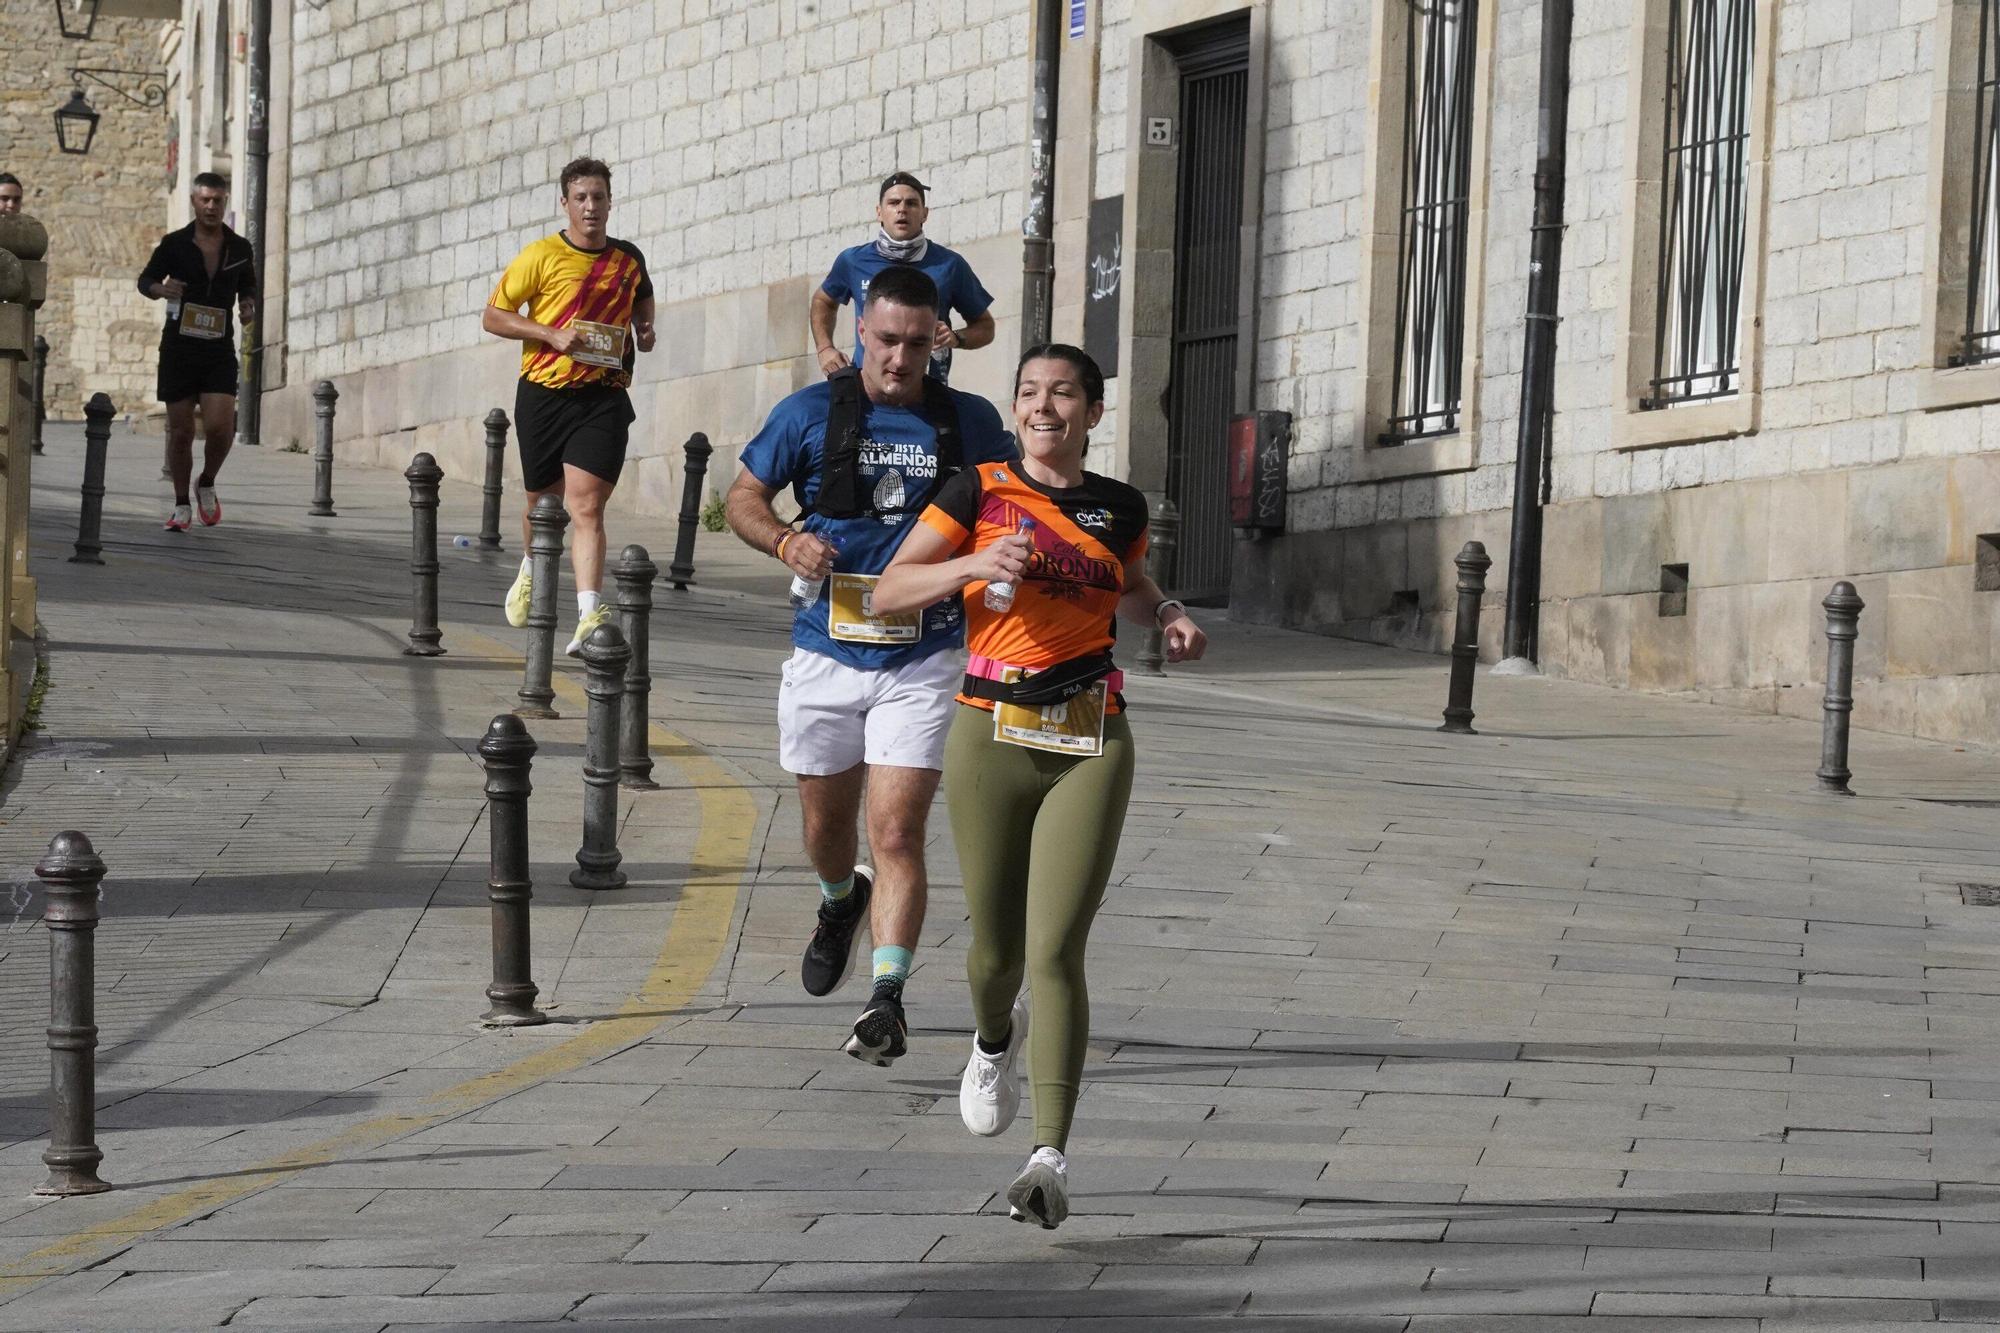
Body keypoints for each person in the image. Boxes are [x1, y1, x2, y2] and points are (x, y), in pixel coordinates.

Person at [872, 344, 1206, 1230]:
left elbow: (1125, 581)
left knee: (1057, 949)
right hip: (991, 730)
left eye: (1062, 393)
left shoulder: (1120, 506)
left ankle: (1049, 1157)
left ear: (1094, 412)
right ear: (1015, 408)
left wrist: (1167, 612)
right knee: (996, 953)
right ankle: (992, 1038)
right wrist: (972, 569)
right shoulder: (975, 489)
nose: (1043, 405)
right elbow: (890, 591)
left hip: (1093, 734)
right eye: (1028, 392)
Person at [726, 265, 1014, 1066]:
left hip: (924, 657)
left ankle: (887, 997)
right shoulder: (809, 412)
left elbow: (1022, 505)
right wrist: (786, 539)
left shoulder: (972, 424)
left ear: (937, 342)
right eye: (887, 340)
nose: (900, 358)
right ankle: (836, 898)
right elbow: (740, 498)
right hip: (826, 651)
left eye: (918, 344)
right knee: (826, 830)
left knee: (896, 828)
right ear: (860, 330)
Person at [483, 156, 655, 655]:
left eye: (599, 197)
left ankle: (588, 613)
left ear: (610, 201)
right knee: (544, 504)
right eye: (581, 198)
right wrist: (549, 333)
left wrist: (645, 327)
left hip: (603, 396)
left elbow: (642, 296)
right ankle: (531, 569)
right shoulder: (540, 255)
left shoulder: (627, 259)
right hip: (543, 393)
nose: (591, 207)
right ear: (565, 203)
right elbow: (493, 316)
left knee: (586, 505)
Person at [138, 172, 256, 531]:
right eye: (205, 199)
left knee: (221, 428)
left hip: (218, 348)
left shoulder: (240, 248)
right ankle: (180, 504)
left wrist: (248, 304)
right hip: (179, 347)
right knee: (181, 431)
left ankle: (206, 480)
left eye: (217, 200)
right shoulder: (174, 244)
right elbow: (145, 281)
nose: (211, 206)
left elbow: (249, 283)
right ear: (194, 201)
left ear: (225, 202)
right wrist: (162, 290)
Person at [811, 172, 995, 385]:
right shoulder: (853, 261)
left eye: (911, 203)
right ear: (879, 212)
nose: (902, 209)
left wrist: (956, 338)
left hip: (930, 394)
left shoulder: (950, 265)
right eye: (893, 203)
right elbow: (823, 301)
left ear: (925, 214)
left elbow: (985, 327)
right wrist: (825, 349)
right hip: (866, 392)